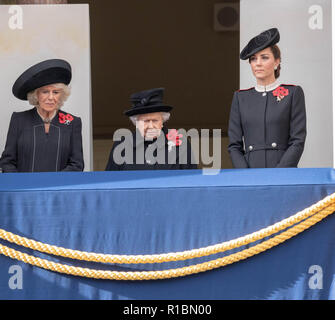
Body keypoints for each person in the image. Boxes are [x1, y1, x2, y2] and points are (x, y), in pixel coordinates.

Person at [228, 28, 306, 168]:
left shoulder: (293, 93)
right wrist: (245, 175)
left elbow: (297, 141)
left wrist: (279, 173)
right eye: (253, 59)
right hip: (250, 174)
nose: (258, 63)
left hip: (283, 173)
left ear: (277, 62)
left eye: (264, 57)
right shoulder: (240, 98)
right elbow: (234, 145)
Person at [0, 59, 84, 172]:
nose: (50, 97)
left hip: (58, 188)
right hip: (25, 188)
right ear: (36, 95)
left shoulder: (73, 122)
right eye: (45, 92)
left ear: (62, 95)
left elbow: (77, 164)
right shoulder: (18, 120)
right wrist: (22, 184)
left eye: (55, 92)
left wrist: (54, 184)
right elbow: (7, 162)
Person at [105, 88, 197, 171]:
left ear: (163, 121)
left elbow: (192, 181)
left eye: (155, 120)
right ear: (136, 122)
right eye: (146, 121)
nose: (151, 126)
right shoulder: (122, 146)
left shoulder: (180, 143)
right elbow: (110, 182)